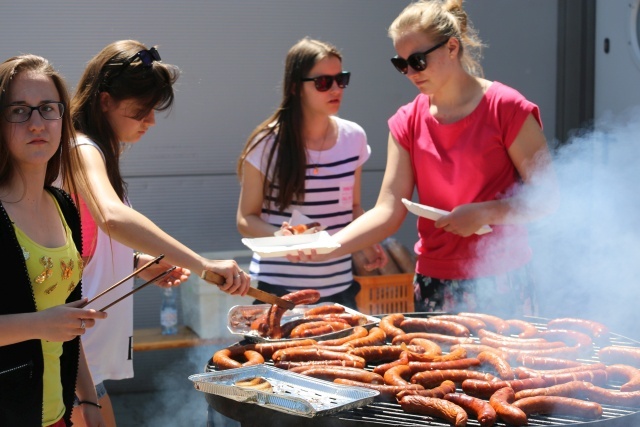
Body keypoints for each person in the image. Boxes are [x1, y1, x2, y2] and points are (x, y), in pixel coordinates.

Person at [296, 0, 558, 318]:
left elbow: (547, 200)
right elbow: (389, 210)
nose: (409, 73)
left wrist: (484, 213)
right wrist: (330, 246)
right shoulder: (407, 120)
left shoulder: (507, 108)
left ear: (451, 47)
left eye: (418, 61)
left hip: (502, 279)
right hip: (433, 281)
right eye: (401, 63)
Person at [69, 40, 251, 427]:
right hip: (70, 361)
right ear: (104, 101)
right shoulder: (83, 147)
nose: (149, 121)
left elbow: (81, 243)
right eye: (141, 110)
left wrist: (135, 263)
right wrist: (202, 264)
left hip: (86, 360)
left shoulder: (97, 150)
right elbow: (112, 217)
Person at [0, 54, 108, 427]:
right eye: (19, 110)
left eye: (48, 109)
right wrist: (38, 325)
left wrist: (90, 403)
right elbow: (50, 323)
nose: (36, 123)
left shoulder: (64, 205)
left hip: (57, 413)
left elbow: (67, 322)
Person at [236, 37, 383, 310]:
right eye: (323, 82)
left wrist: (366, 244)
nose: (336, 88)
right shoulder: (266, 143)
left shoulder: (354, 137)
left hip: (339, 287)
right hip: (276, 288)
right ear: (295, 87)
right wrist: (283, 238)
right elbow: (245, 219)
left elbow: (352, 208)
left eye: (342, 79)